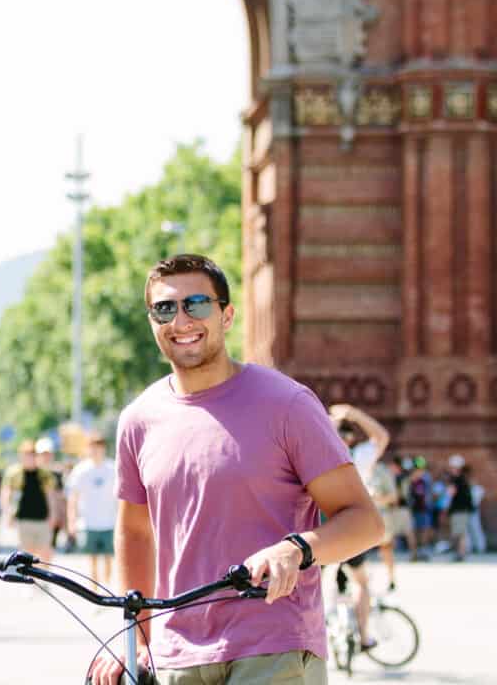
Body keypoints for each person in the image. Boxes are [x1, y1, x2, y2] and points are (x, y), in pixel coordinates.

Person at [91, 254, 383, 685]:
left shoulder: (288, 405)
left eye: (197, 304)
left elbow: (365, 522)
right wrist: (133, 638)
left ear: (226, 315)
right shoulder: (138, 419)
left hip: (273, 646)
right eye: (165, 308)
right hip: (177, 655)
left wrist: (296, 549)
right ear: (152, 322)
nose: (182, 320)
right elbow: (135, 533)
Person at [330, 402, 392, 651]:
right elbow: (382, 436)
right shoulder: (358, 458)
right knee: (361, 583)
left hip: (320, 530)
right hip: (351, 530)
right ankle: (364, 636)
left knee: (309, 585)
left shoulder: (315, 454)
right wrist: (353, 414)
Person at [66, 435, 118, 585]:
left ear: (104, 448)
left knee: (109, 558)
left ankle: (106, 588)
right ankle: (94, 590)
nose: (96, 451)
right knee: (92, 560)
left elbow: (121, 498)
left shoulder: (112, 468)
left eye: (99, 447)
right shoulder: (81, 470)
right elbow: (73, 499)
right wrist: (72, 522)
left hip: (110, 522)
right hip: (88, 523)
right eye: (92, 447)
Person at [0, 440, 55, 562]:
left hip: (42, 518)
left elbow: (50, 496)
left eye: (32, 455)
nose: (30, 458)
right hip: (23, 518)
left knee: (45, 551)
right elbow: (6, 493)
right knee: (26, 552)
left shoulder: (44, 474)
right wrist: (8, 513)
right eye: (26, 455)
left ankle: (44, 578)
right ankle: (30, 579)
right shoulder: (14, 473)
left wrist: (53, 514)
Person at [35, 438, 70, 553]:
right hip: (35, 515)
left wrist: (62, 517)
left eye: (48, 454)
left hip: (52, 515)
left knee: (48, 548)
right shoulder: (32, 472)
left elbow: (60, 496)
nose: (46, 457)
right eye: (43, 454)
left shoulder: (57, 472)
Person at [444, 455, 475, 561]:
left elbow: (450, 493)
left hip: (459, 509)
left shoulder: (456, 479)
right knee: (460, 532)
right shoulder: (463, 478)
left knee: (460, 532)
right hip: (463, 509)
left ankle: (461, 553)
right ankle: (460, 553)